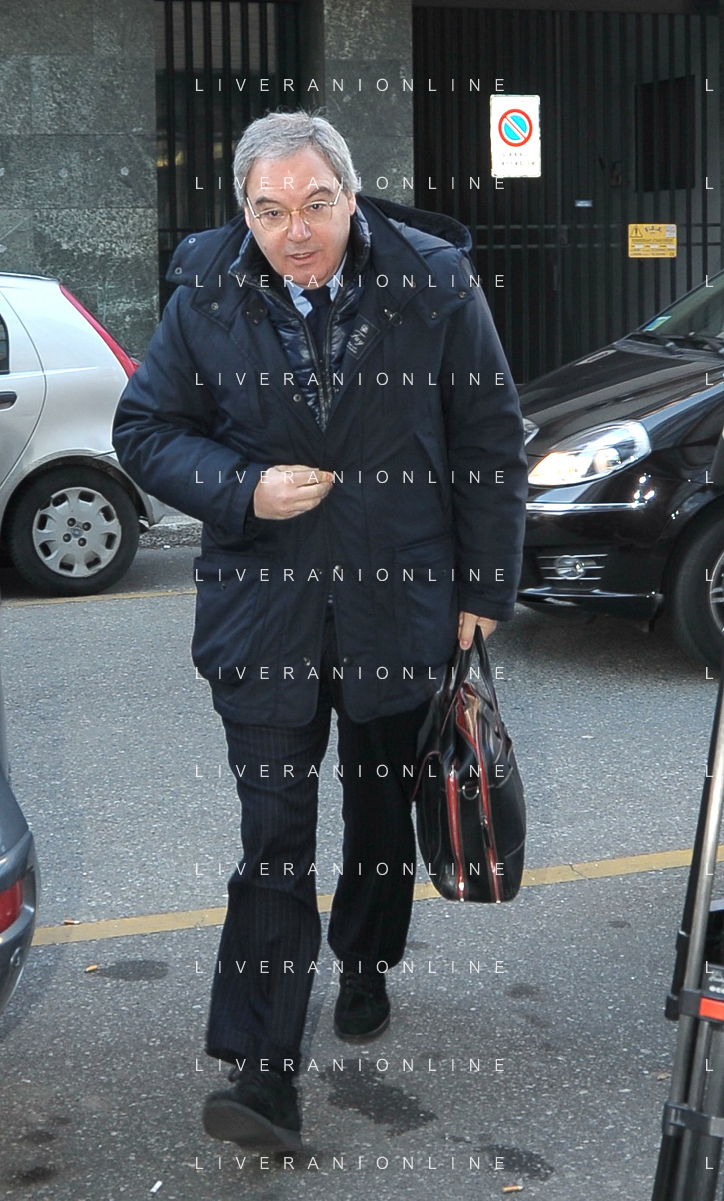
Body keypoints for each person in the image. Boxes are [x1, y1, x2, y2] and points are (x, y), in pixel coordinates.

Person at [112, 108, 528, 1153]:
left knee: (380, 816)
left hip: (399, 604)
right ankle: (262, 1071)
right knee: (273, 839)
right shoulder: (206, 290)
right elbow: (145, 429)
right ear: (244, 213)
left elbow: (487, 437)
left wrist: (484, 585)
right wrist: (243, 487)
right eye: (269, 211)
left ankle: (365, 961)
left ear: (350, 193)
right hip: (265, 612)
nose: (294, 232)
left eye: (314, 205)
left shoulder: (434, 282)